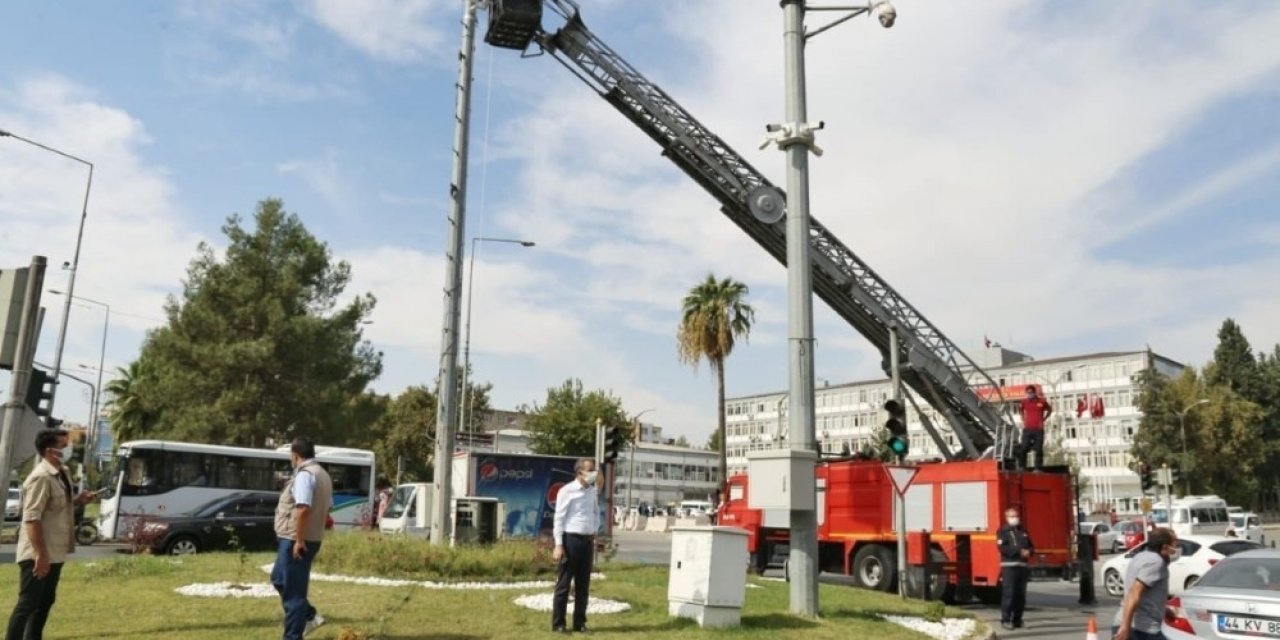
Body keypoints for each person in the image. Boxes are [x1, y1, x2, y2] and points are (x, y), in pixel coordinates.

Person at [7, 429, 98, 640]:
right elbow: (32, 518)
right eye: (63, 446)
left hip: (55, 551)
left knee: (45, 601)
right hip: (37, 553)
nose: (67, 450)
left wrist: (79, 499)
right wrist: (40, 555)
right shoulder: (40, 477)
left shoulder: (62, 472)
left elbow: (58, 505)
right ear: (49, 451)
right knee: (28, 604)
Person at [270, 438, 333, 640]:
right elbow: (327, 506)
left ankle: (293, 636)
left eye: (291, 456)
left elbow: (303, 508)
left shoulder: (305, 475)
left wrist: (299, 540)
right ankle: (309, 615)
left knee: (293, 594)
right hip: (307, 537)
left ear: (295, 455)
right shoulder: (323, 474)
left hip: (296, 540)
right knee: (278, 579)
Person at [551, 458, 601, 634]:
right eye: (590, 470)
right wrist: (558, 545)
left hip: (587, 542)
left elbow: (596, 512)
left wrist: (595, 529)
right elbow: (559, 519)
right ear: (580, 472)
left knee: (583, 586)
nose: (594, 473)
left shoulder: (592, 490)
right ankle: (559, 624)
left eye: (594, 470)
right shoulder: (567, 490)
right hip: (570, 541)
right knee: (564, 584)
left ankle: (579, 623)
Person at [1113, 527, 1179, 640]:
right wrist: (1125, 626)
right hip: (1142, 630)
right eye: (1175, 545)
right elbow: (1135, 592)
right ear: (1165, 547)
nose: (1177, 549)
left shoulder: (1141, 556)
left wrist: (1163, 609)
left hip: (1130, 625)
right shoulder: (1155, 562)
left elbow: (1146, 595)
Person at [997, 507, 1033, 631]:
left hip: (1022, 567)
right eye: (1012, 516)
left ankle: (1018, 620)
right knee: (1009, 594)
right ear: (1007, 518)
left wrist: (1029, 552)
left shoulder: (1023, 530)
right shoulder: (1003, 531)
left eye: (1016, 516)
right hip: (1009, 566)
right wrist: (1019, 552)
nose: (1015, 518)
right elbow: (1002, 548)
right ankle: (1006, 620)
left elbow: (1031, 546)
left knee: (1020, 596)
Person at [1017, 386, 1053, 470]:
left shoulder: (1042, 401)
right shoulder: (1024, 402)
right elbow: (1020, 409)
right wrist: (1022, 418)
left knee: (1038, 449)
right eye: (1028, 393)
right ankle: (1022, 467)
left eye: (1031, 392)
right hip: (1028, 429)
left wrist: (1044, 418)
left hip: (1038, 429)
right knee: (1023, 448)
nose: (1029, 394)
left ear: (1034, 392)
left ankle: (1037, 468)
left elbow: (1050, 409)